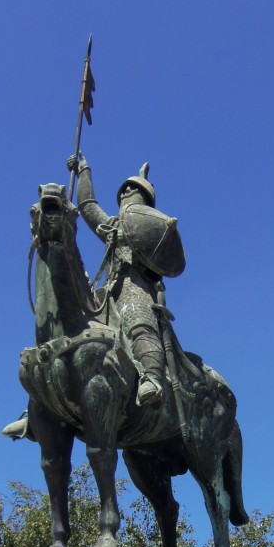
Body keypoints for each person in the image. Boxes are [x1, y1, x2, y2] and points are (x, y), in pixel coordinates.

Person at [67, 153, 167, 407]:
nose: (126, 191)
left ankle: (151, 378)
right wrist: (84, 170)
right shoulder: (112, 224)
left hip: (136, 287)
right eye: (124, 188)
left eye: (133, 188)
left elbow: (161, 259)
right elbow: (88, 206)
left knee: (138, 320)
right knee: (70, 326)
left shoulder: (152, 228)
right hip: (108, 290)